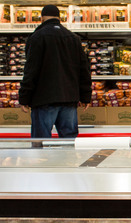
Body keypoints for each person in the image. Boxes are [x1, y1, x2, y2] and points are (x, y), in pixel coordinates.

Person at [19, 5, 92, 139]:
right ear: (59, 18)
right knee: (69, 142)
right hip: (69, 99)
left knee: (41, 142)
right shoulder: (73, 38)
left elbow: (31, 70)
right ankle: (70, 161)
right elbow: (84, 69)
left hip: (44, 99)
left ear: (42, 18)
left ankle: (43, 160)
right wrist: (86, 95)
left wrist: (24, 97)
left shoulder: (37, 37)